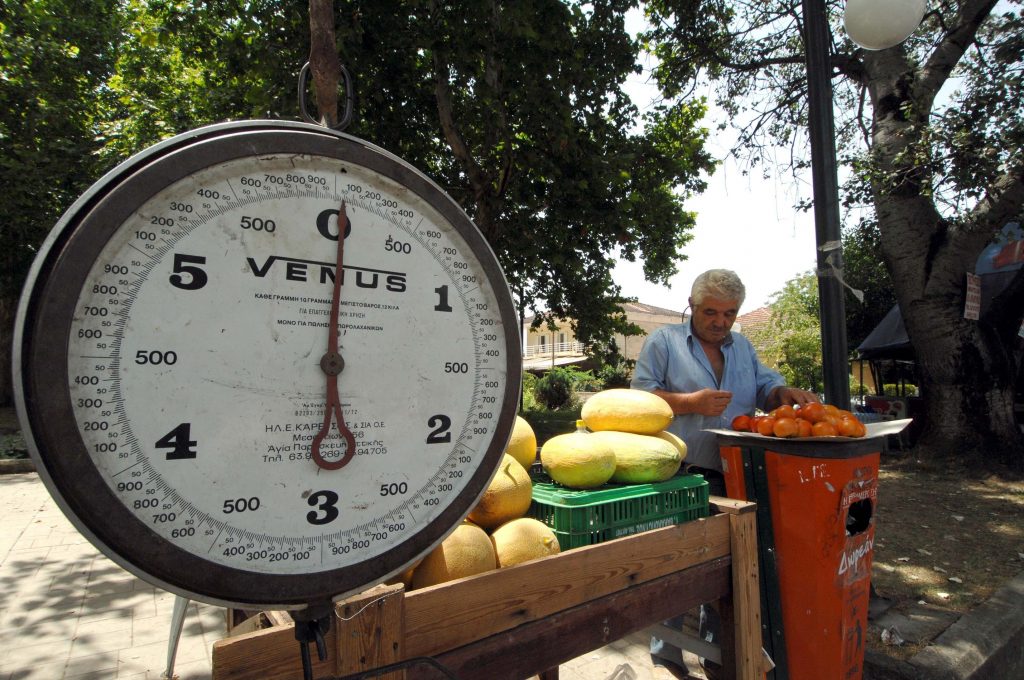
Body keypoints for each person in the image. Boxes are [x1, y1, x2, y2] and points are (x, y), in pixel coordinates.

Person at [630, 268, 818, 678]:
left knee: (728, 571)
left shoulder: (743, 348)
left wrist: (781, 394)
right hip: (677, 474)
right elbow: (639, 397)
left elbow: (767, 384)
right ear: (693, 306)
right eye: (711, 312)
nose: (719, 322)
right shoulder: (664, 342)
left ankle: (716, 658)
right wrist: (690, 401)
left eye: (729, 314)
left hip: (734, 475)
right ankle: (666, 656)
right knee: (678, 567)